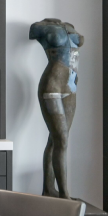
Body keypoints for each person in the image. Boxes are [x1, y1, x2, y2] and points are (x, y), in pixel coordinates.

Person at [29, 18, 83, 199]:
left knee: (55, 139)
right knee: (62, 140)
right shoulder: (41, 27)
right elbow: (33, 32)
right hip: (51, 86)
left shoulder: (70, 26)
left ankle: (48, 189)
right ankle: (64, 195)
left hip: (71, 88)